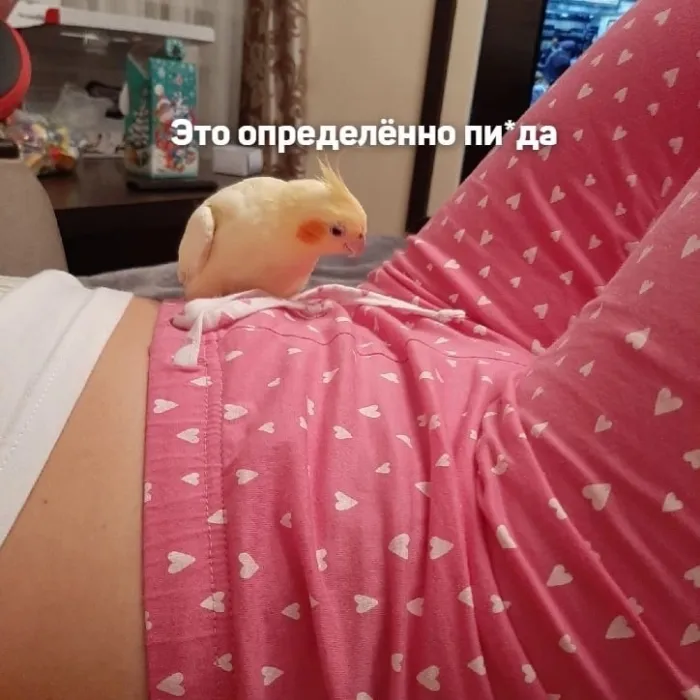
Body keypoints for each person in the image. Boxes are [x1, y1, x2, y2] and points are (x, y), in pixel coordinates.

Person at [1, 0, 699, 697]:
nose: (349, 249)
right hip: (480, 571)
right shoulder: (224, 215)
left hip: (419, 314)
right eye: (342, 238)